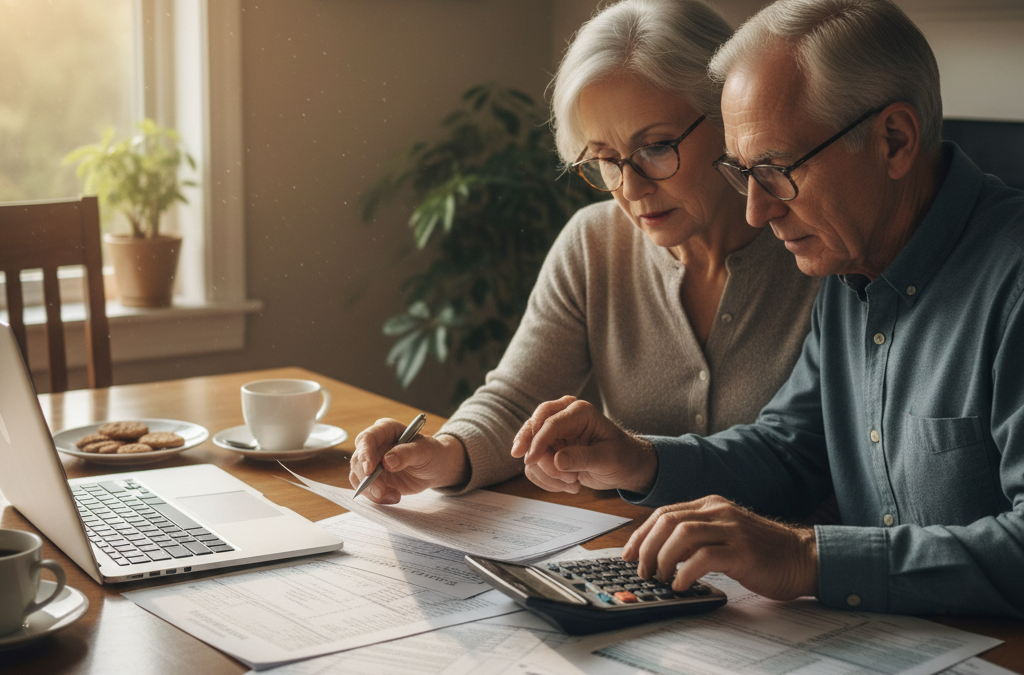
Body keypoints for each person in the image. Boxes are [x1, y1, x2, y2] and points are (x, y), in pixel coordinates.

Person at [512, 0, 1024, 618]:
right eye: (743, 171)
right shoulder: (850, 260)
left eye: (777, 169)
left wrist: (805, 557)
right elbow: (790, 449)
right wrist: (639, 459)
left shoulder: (1010, 283)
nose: (757, 210)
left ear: (894, 140)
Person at [348, 0, 820, 505]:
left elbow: (807, 459)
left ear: (730, 116)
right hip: (631, 559)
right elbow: (516, 401)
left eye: (657, 147)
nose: (631, 189)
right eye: (604, 160)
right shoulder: (594, 243)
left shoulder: (818, 251)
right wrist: (444, 453)